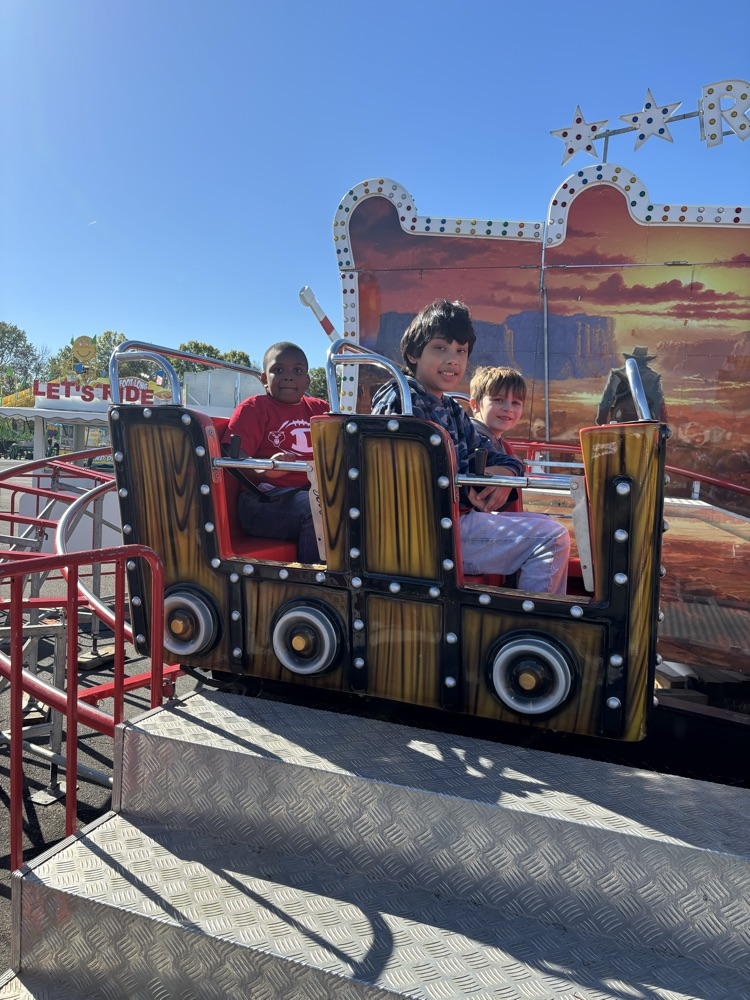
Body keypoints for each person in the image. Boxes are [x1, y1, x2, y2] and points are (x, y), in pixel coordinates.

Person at [371, 300, 570, 594]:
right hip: (423, 529)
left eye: (461, 351)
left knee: (545, 523)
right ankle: (532, 630)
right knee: (551, 537)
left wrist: (505, 473)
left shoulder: (451, 409)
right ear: (413, 354)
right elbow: (410, 480)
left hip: (455, 517)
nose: (453, 359)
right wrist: (473, 489)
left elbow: (496, 455)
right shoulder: (401, 399)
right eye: (440, 348)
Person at [222, 341, 327, 563]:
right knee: (319, 508)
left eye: (297, 371)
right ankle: (313, 587)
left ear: (307, 380)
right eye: (278, 370)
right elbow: (235, 461)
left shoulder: (320, 409)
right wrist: (267, 471)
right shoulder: (254, 408)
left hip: (309, 493)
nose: (288, 376)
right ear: (263, 378)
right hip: (262, 501)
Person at [469, 365, 527, 513]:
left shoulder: (503, 446)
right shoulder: (469, 438)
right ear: (475, 405)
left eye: (516, 403)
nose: (508, 408)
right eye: (498, 400)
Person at [596, 346, 667, 424]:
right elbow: (657, 403)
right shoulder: (654, 377)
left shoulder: (617, 374)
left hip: (621, 416)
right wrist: (657, 424)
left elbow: (607, 400)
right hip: (645, 420)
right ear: (645, 361)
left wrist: (601, 420)